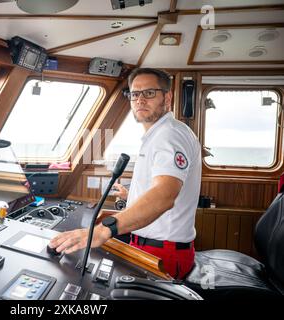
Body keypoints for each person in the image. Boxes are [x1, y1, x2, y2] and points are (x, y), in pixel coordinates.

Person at [49, 68, 201, 279]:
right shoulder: (160, 133)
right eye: (135, 94)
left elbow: (165, 195)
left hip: (162, 254)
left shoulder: (169, 135)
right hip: (155, 247)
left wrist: (102, 231)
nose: (140, 100)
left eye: (149, 93)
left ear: (167, 97)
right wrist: (132, 198)